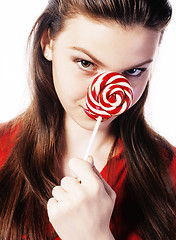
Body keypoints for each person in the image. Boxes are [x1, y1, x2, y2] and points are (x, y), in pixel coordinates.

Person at [0, 0, 175, 239]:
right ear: (47, 43)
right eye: (85, 63)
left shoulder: (170, 173)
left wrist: (94, 235)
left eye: (133, 71)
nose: (107, 91)